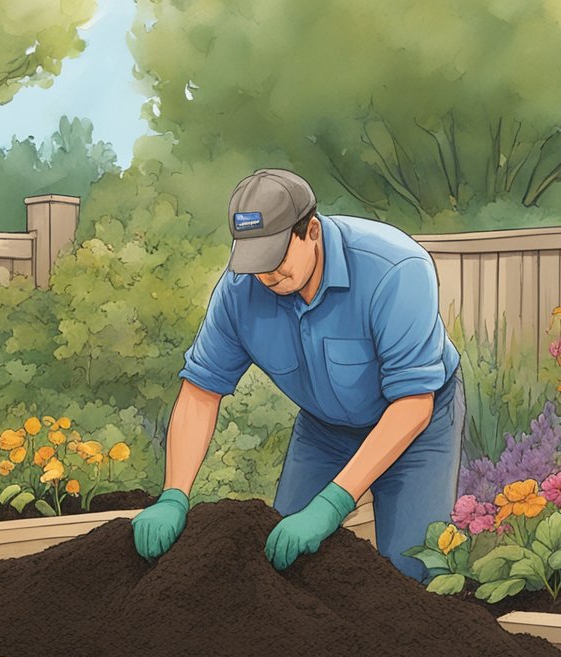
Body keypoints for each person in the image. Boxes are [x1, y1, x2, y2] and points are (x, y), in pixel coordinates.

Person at [131, 168, 465, 581]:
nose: (266, 275)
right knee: (280, 564)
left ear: (311, 230)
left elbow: (413, 404)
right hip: (324, 426)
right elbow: (202, 390)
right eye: (255, 260)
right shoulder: (240, 291)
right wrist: (174, 495)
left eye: (275, 257)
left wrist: (333, 505)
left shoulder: (395, 269)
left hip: (416, 420)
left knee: (413, 569)